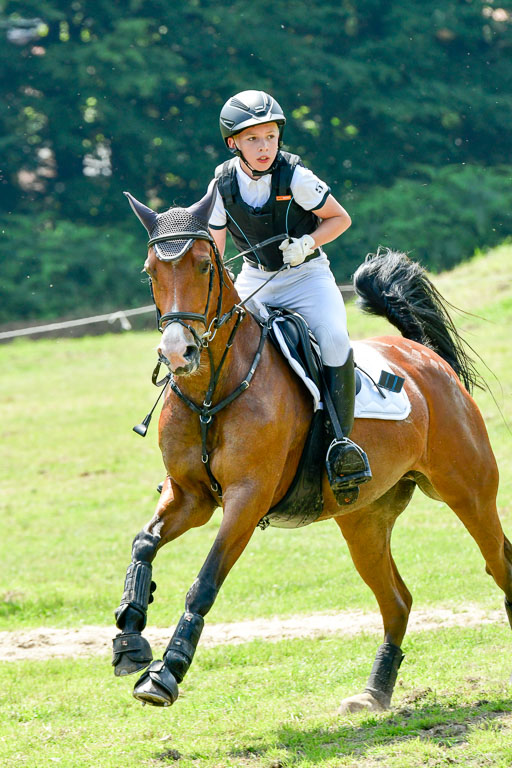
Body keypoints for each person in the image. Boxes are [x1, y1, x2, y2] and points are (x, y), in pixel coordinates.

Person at [208, 90, 371, 502]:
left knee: (334, 339)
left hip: (306, 278)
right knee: (215, 343)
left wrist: (308, 243)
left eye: (270, 137)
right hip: (254, 280)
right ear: (233, 143)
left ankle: (341, 445)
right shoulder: (221, 183)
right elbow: (215, 245)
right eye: (252, 140)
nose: (264, 148)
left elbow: (340, 218)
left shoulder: (296, 176)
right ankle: (201, 445)